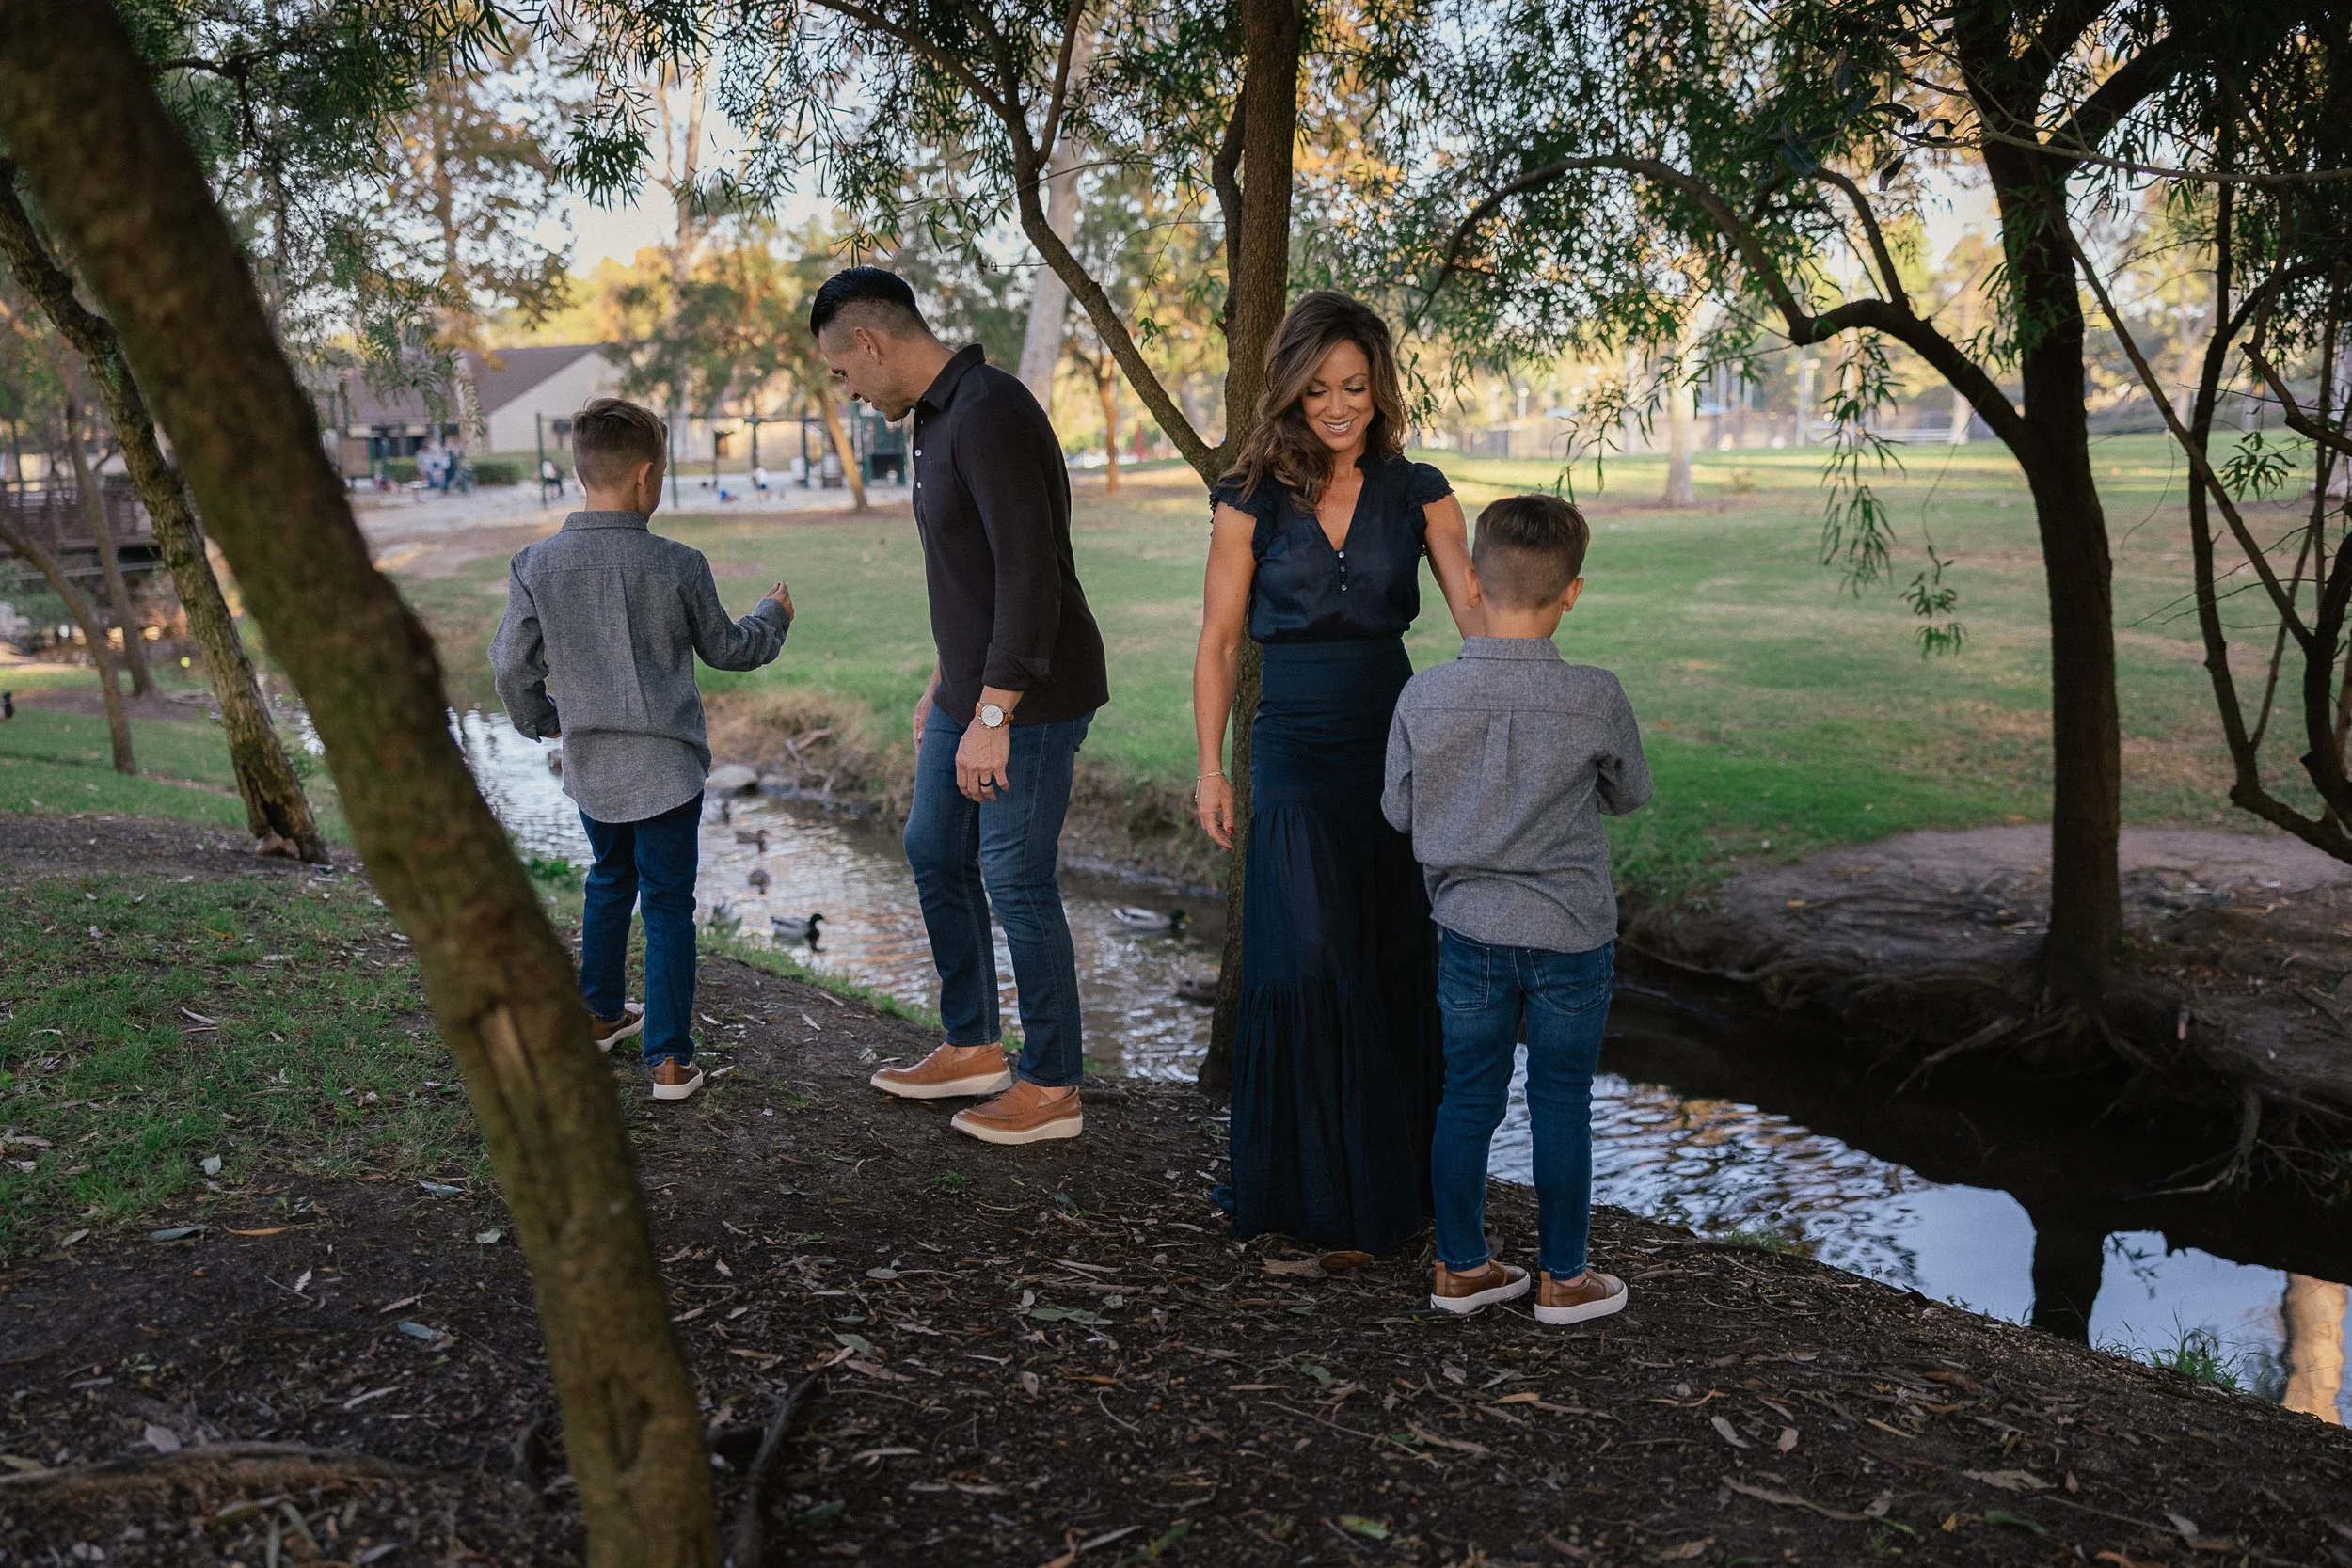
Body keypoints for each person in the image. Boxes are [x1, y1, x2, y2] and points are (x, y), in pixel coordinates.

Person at [1192, 291, 1483, 1257]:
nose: (1338, 404)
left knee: (1386, 948)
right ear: (1288, 390)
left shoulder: (1420, 489)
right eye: (1317, 388)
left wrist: (1511, 713)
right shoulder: (1247, 499)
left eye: (1354, 385)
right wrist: (1208, 765)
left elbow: (1476, 613)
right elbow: (1220, 639)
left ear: (1379, 389)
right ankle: (1305, 1182)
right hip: (1291, 745)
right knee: (1307, 953)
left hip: (1394, 739)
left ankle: (1390, 1183)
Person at [811, 267, 1109, 1146]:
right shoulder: (936, 421)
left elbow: (1028, 572)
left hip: (1032, 692)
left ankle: (1053, 1085)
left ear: (869, 342)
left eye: (842, 371)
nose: (849, 390)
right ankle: (975, 1043)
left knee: (1015, 877)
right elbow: (969, 575)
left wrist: (993, 713)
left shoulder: (991, 412)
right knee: (932, 845)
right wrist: (947, 684)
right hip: (971, 684)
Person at [1382, 494, 1650, 1323]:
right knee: (1562, 1098)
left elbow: (1399, 811)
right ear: (1572, 592)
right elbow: (1627, 793)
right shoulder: (1596, 696)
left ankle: (1461, 1266)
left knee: (1469, 1095)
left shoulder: (1423, 697)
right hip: (1570, 932)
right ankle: (1563, 1278)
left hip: (1468, 932)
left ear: (1470, 576)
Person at [491, 397, 793, 1101]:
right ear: (646, 475)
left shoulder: (534, 563)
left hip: (591, 764)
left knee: (606, 879)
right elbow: (729, 647)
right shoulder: (677, 563)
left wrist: (545, 721)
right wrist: (772, 618)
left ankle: (599, 1014)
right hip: (668, 770)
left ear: (580, 473)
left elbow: (510, 664)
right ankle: (668, 1059)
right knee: (666, 903)